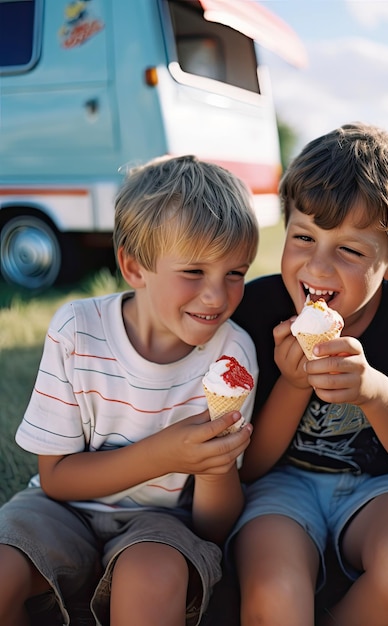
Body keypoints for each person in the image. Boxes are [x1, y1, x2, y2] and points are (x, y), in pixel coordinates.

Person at [0, 155, 259, 626]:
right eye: (194, 272)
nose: (217, 297)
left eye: (235, 273)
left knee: (153, 578)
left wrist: (216, 465)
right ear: (134, 267)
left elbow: (214, 525)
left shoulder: (233, 354)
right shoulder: (77, 330)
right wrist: (164, 455)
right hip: (59, 508)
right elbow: (56, 479)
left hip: (161, 525)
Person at [230, 122, 388, 626]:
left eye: (350, 250)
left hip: (381, 485)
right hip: (280, 486)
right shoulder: (259, 309)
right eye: (303, 237)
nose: (318, 267)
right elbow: (250, 468)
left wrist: (374, 391)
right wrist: (293, 382)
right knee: (273, 593)